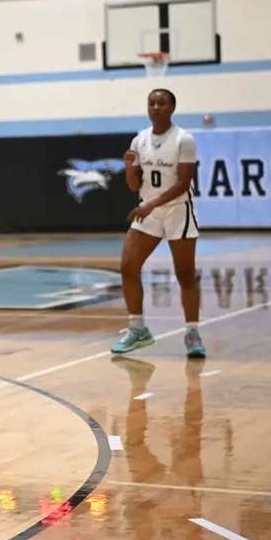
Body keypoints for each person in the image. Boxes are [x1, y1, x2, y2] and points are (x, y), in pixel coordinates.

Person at [113, 88, 204, 358]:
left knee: (185, 274)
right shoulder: (139, 140)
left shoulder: (183, 139)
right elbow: (133, 185)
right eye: (152, 103)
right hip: (148, 211)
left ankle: (192, 333)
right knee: (128, 267)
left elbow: (183, 183)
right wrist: (130, 168)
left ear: (172, 108)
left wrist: (151, 203)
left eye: (161, 103)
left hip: (177, 211)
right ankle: (137, 329)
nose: (156, 107)